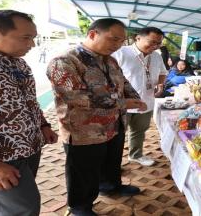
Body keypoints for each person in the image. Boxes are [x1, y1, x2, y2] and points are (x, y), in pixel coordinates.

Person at [47, 18, 146, 215]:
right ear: (93, 34)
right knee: (83, 171)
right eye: (114, 39)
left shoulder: (110, 60)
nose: (118, 45)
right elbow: (76, 97)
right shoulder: (65, 61)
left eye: (121, 41)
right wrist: (122, 103)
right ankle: (79, 206)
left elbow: (122, 81)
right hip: (84, 130)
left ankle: (110, 186)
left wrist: (135, 97)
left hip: (114, 124)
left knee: (111, 161)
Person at [0, 10, 58, 216]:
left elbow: (29, 101)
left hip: (29, 147)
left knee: (5, 209)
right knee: (22, 209)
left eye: (33, 38)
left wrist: (43, 125)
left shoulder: (18, 62)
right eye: (25, 38)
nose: (32, 45)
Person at [112, 27, 167, 167]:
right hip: (123, 104)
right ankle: (112, 165)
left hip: (146, 101)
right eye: (152, 42)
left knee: (139, 131)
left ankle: (135, 155)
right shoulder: (120, 53)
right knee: (116, 136)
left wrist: (160, 84)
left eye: (158, 43)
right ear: (138, 38)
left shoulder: (156, 56)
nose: (155, 46)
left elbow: (162, 72)